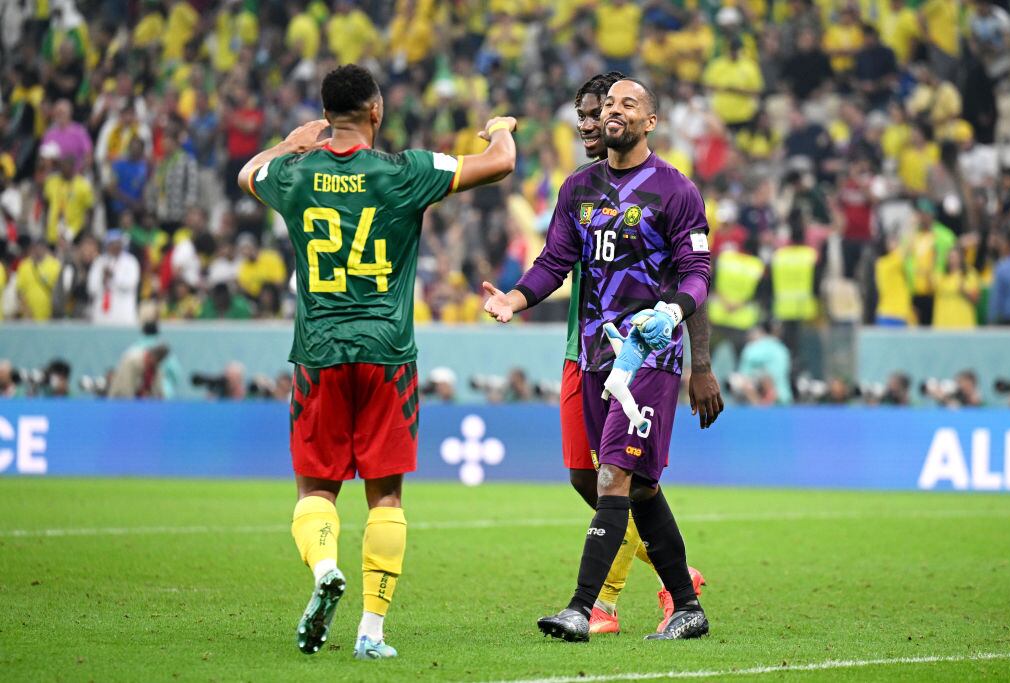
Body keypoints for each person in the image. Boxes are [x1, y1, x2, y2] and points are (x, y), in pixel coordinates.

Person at [238, 64, 517, 660]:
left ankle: (323, 572)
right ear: (376, 112)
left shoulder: (294, 171)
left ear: (326, 115)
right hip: (388, 354)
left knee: (316, 487)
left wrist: (292, 141)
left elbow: (247, 174)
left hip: (318, 352)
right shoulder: (405, 171)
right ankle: (371, 632)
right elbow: (501, 163)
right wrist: (501, 126)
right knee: (385, 497)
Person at [483, 78, 712, 641]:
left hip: (649, 358)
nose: (613, 111)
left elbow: (698, 273)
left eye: (627, 105)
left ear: (650, 122)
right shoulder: (578, 187)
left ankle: (582, 609)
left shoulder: (675, 190)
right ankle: (687, 604)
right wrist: (515, 297)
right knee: (636, 488)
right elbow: (554, 260)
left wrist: (676, 315)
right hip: (593, 356)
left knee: (614, 476)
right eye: (609, 104)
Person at [87, 230, 140, 326]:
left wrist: (113, 276)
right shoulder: (99, 262)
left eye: (117, 243)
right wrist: (103, 279)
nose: (115, 246)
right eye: (112, 243)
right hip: (102, 315)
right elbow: (92, 288)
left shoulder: (130, 262)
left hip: (124, 314)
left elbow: (131, 284)